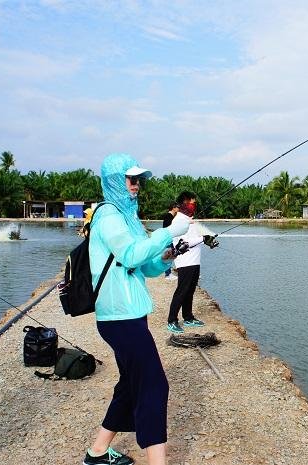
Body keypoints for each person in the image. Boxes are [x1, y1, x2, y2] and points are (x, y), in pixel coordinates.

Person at [84, 153, 189, 465]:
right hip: (119, 317)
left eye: (139, 179)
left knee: (132, 384)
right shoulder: (108, 216)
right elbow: (129, 255)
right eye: (131, 179)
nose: (137, 185)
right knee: (155, 384)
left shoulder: (128, 217)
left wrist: (165, 256)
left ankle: (97, 452)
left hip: (131, 314)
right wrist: (169, 231)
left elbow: (144, 267)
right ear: (115, 180)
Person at [166, 191, 218, 334]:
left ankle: (188, 317)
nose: (194, 205)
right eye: (192, 203)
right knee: (181, 291)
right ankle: (172, 320)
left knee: (190, 291)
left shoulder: (189, 220)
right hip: (185, 262)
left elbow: (195, 238)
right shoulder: (178, 221)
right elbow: (184, 243)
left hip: (195, 261)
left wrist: (207, 241)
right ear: (184, 203)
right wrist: (203, 238)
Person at [161, 202, 179, 280]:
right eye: (177, 207)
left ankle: (169, 272)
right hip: (168, 239)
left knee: (170, 255)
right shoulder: (169, 217)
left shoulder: (170, 216)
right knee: (169, 256)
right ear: (173, 208)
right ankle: (168, 275)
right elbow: (170, 229)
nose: (178, 209)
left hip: (169, 239)